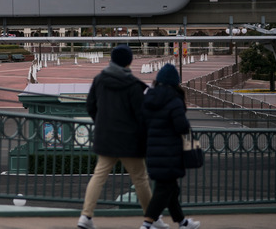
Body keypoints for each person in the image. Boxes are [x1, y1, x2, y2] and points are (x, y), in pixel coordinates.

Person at [78, 45, 169, 229]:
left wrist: (102, 123)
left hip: (106, 136)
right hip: (129, 140)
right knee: (140, 178)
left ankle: (85, 216)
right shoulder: (134, 85)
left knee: (99, 175)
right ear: (129, 61)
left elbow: (90, 105)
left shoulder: (100, 79)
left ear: (111, 59)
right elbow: (141, 115)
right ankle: (152, 218)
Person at [140, 64, 201, 229]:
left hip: (153, 149)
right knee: (164, 189)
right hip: (170, 151)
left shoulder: (148, 98)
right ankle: (147, 223)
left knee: (171, 189)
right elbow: (182, 126)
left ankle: (183, 222)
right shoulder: (174, 100)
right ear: (176, 83)